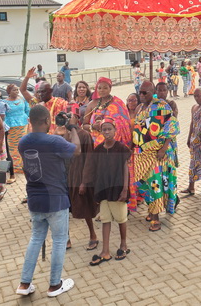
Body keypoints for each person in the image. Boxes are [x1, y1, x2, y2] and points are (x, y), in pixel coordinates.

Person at [16, 105, 78, 298]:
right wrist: (73, 127)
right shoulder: (54, 141)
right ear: (46, 121)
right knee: (59, 241)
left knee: (36, 239)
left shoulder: (23, 142)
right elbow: (76, 151)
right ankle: (54, 285)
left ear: (30, 121)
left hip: (35, 198)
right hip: (56, 197)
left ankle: (24, 284)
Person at [133, 81, 180, 231]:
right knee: (141, 181)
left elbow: (172, 125)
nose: (141, 95)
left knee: (155, 184)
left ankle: (156, 217)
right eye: (140, 92)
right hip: (142, 152)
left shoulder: (161, 106)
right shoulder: (140, 108)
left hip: (158, 153)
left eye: (144, 92)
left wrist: (164, 148)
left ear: (152, 91)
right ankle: (152, 209)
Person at [83, 119, 131, 266]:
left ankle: (123, 245)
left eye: (110, 129)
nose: (107, 132)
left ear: (115, 131)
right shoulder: (98, 150)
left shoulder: (121, 148)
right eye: (104, 129)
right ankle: (105, 251)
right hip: (103, 190)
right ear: (101, 132)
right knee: (105, 220)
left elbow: (125, 169)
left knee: (121, 219)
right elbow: (95, 169)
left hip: (117, 190)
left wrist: (124, 189)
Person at [59, 112, 98, 251]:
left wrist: (85, 181)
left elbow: (90, 160)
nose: (68, 120)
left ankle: (93, 235)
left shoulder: (84, 135)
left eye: (71, 117)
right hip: (65, 178)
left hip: (79, 177)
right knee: (64, 211)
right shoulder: (62, 135)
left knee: (85, 208)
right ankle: (66, 238)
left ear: (77, 119)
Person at [83, 77, 132, 146]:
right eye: (99, 88)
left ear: (110, 89)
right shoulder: (92, 104)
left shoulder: (118, 103)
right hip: (94, 142)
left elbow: (125, 123)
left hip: (114, 142)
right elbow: (84, 125)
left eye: (105, 88)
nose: (102, 90)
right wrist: (93, 126)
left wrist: (107, 126)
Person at [22, 67, 69, 134]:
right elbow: (23, 90)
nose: (40, 94)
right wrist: (27, 77)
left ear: (50, 91)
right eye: (39, 92)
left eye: (43, 92)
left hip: (54, 139)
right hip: (37, 139)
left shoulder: (60, 103)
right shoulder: (36, 102)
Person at [4, 84, 30, 176]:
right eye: (14, 90)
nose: (17, 91)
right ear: (9, 92)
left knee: (22, 145)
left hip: (23, 125)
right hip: (11, 127)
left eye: (17, 90)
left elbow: (27, 110)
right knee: (13, 147)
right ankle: (15, 167)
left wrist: (28, 117)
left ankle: (23, 166)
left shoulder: (22, 99)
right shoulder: (4, 102)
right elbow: (4, 115)